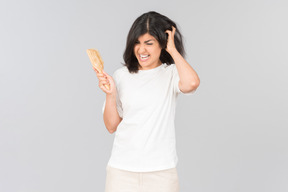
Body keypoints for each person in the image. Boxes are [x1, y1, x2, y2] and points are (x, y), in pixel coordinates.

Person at [94, 11, 200, 192]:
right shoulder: (122, 76)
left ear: (162, 44)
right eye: (137, 42)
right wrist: (110, 94)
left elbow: (191, 83)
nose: (141, 50)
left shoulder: (171, 73)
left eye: (149, 43)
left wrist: (173, 50)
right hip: (122, 170)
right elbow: (111, 126)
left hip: (161, 172)